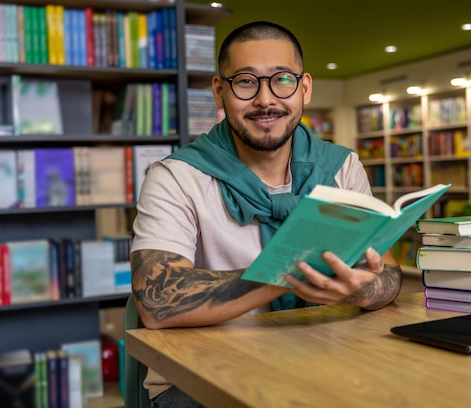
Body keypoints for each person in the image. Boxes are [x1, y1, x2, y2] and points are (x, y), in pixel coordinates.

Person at [130, 20, 403, 408]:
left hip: (325, 354)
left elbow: (388, 274)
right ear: (219, 91)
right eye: (245, 82)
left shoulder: (341, 167)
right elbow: (156, 302)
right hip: (203, 372)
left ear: (304, 87)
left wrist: (360, 288)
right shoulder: (174, 177)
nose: (266, 100)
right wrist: (292, 273)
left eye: (282, 80)